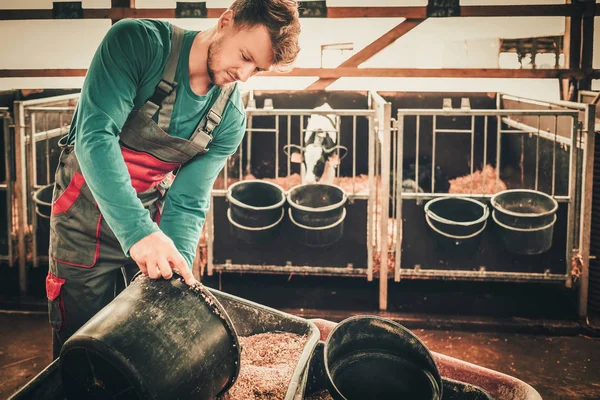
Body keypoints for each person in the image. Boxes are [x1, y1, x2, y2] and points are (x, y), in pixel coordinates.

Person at [45, 0, 301, 359]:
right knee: (79, 348)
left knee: (138, 350)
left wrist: (177, 270)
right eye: (244, 56)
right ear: (226, 21)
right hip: (83, 224)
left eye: (256, 69)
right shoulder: (138, 43)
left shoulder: (228, 119)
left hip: (152, 230)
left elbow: (187, 199)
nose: (244, 75)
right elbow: (95, 137)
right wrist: (140, 234)